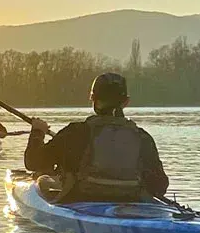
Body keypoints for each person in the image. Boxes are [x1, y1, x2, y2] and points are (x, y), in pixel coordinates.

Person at [24, 73, 170, 204]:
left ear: (93, 98)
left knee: (42, 179)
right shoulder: (142, 137)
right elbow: (160, 185)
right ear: (126, 102)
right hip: (131, 200)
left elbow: (33, 162)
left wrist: (37, 132)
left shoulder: (75, 132)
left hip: (81, 199)